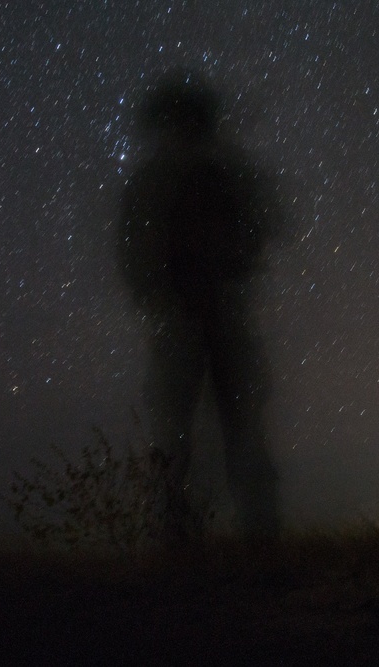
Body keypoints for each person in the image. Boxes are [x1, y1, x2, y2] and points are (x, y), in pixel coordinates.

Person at [119, 70, 279, 542]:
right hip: (192, 317)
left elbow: (253, 234)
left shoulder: (184, 176)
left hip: (207, 316)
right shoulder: (180, 176)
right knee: (193, 435)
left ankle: (241, 535)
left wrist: (165, 293)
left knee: (220, 432)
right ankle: (216, 536)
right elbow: (136, 250)